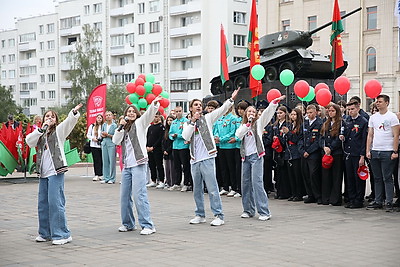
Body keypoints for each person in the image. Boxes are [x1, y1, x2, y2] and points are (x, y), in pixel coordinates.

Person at [26, 103, 83, 245]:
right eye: (47, 116)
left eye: (52, 116)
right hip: (43, 172)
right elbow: (29, 141)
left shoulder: (59, 131)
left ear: (56, 120)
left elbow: (69, 122)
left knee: (55, 202)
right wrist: (40, 129)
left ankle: (62, 234)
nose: (49, 118)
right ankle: (45, 233)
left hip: (56, 170)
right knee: (43, 203)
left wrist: (73, 113)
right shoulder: (40, 132)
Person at [182, 89, 239, 226]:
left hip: (207, 157)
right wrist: (192, 122)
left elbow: (220, 111)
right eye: (195, 105)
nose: (199, 107)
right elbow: (185, 136)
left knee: (212, 188)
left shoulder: (207, 118)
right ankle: (200, 214)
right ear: (190, 108)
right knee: (197, 189)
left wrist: (231, 99)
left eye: (200, 105)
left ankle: (219, 215)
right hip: (194, 159)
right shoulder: (187, 123)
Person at [112, 96, 163, 235]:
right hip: (127, 166)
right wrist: (120, 126)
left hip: (139, 164)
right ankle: (128, 223)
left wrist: (154, 104)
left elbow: (149, 114)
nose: (131, 113)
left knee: (139, 194)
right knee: (124, 196)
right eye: (128, 112)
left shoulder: (141, 123)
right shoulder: (123, 128)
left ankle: (148, 225)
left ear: (136, 114)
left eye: (133, 111)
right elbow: (116, 140)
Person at [236, 95, 285, 221]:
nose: (251, 113)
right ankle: (248, 210)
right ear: (246, 114)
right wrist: (248, 124)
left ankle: (264, 211)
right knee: (245, 184)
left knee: (257, 183)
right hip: (245, 157)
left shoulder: (259, 124)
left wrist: (274, 103)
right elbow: (238, 135)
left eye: (253, 111)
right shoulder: (243, 126)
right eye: (249, 111)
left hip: (257, 156)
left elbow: (267, 113)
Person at [366, 94, 399, 211]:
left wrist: (395, 151)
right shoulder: (373, 117)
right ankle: (378, 200)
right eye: (377, 101)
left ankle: (389, 201)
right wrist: (368, 150)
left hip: (387, 151)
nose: (377, 103)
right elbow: (370, 135)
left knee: (387, 177)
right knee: (377, 177)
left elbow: (396, 135)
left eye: (380, 101)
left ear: (387, 103)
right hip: (375, 150)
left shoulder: (392, 117)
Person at [340, 100, 368, 209]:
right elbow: (346, 134)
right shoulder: (347, 121)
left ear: (357, 109)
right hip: (348, 152)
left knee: (358, 178)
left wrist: (362, 156)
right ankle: (351, 198)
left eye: (352, 109)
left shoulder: (363, 121)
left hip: (357, 153)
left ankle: (359, 199)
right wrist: (342, 136)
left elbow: (364, 140)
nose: (350, 111)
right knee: (350, 177)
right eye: (349, 109)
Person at [319, 103, 344, 206]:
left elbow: (339, 138)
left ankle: (335, 199)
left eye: (333, 111)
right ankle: (326, 197)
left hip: (336, 153)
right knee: (326, 176)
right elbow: (321, 138)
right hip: (326, 153)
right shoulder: (326, 123)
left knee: (336, 176)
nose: (330, 113)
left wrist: (331, 148)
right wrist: (324, 147)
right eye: (329, 111)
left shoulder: (341, 123)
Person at [299, 104, 323, 204]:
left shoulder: (320, 123)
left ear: (316, 112)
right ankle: (310, 195)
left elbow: (318, 140)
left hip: (313, 153)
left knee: (314, 174)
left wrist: (309, 151)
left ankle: (318, 195)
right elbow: (300, 137)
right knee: (306, 174)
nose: (309, 115)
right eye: (307, 113)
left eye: (311, 113)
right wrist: (302, 150)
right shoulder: (304, 123)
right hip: (304, 153)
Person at [282, 108, 304, 201]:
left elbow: (296, 139)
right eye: (292, 114)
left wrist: (288, 133)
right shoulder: (290, 125)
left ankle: (299, 194)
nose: (293, 116)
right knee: (290, 175)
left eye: (295, 114)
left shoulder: (300, 126)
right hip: (288, 152)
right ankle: (293, 193)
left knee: (297, 175)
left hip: (296, 153)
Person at [214, 106, 238, 197]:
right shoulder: (220, 118)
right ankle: (225, 187)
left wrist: (221, 139)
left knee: (231, 168)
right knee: (223, 168)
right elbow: (216, 130)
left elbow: (232, 132)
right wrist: (216, 137)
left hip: (230, 146)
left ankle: (234, 187)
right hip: (221, 146)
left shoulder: (233, 118)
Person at [169, 106, 192, 191]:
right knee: (176, 166)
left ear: (182, 111)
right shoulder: (174, 122)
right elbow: (170, 133)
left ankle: (186, 183)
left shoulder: (186, 121)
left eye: (179, 111)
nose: (178, 113)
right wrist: (172, 137)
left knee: (185, 165)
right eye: (176, 111)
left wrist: (178, 135)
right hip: (175, 146)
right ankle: (177, 182)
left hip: (183, 146)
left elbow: (187, 133)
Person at [146, 112, 165, 188]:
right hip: (149, 149)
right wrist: (147, 146)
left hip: (157, 149)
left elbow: (160, 139)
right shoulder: (150, 127)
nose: (155, 118)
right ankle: (153, 180)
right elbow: (148, 137)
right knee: (152, 165)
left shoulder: (161, 127)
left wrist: (153, 147)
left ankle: (161, 181)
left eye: (157, 117)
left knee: (159, 165)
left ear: (160, 117)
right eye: (154, 117)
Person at [101, 111, 117, 184]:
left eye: (109, 115)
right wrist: (103, 135)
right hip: (104, 143)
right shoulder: (104, 125)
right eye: (107, 115)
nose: (108, 116)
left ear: (112, 116)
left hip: (111, 144)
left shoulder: (114, 125)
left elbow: (116, 136)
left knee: (112, 161)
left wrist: (107, 135)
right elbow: (102, 133)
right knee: (105, 161)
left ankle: (112, 178)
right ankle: (106, 177)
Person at [87, 114, 104, 181]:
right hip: (94, 145)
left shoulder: (103, 126)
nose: (99, 119)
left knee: (102, 160)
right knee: (96, 160)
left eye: (100, 118)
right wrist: (93, 138)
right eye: (98, 118)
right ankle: (96, 174)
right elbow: (88, 135)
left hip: (101, 145)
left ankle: (101, 174)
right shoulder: (92, 126)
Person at [162, 115, 176, 189]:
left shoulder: (174, 129)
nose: (169, 122)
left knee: (172, 168)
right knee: (167, 168)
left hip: (171, 151)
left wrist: (168, 150)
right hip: (165, 151)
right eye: (168, 120)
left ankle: (173, 182)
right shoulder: (165, 130)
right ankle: (168, 182)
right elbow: (163, 141)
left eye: (171, 120)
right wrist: (164, 150)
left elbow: (172, 142)